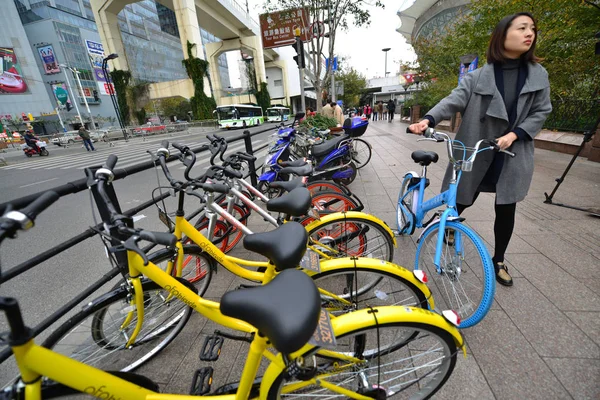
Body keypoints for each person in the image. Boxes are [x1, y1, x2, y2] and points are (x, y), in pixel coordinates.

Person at [408, 12, 552, 286]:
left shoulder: (538, 75)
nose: (529, 33)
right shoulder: (478, 76)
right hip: (478, 144)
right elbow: (454, 99)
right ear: (502, 34)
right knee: (463, 195)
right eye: (522, 27)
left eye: (532, 28)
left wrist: (515, 134)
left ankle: (499, 259)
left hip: (514, 149)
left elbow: (541, 111)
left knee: (506, 206)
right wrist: (428, 119)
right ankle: (450, 226)